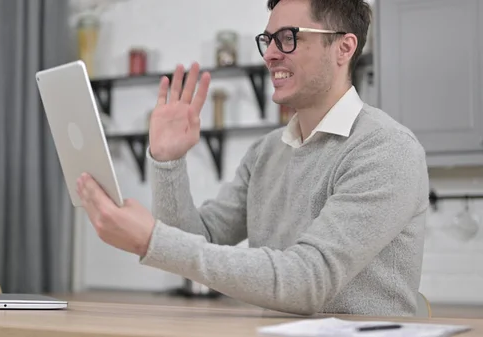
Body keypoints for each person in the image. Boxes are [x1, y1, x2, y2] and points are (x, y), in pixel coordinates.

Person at [76, 0, 429, 316]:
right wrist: (168, 161)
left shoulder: (386, 148)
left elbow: (307, 280)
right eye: (268, 40)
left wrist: (151, 239)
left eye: (288, 37)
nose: (270, 54)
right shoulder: (266, 152)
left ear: (343, 47)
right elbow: (197, 241)